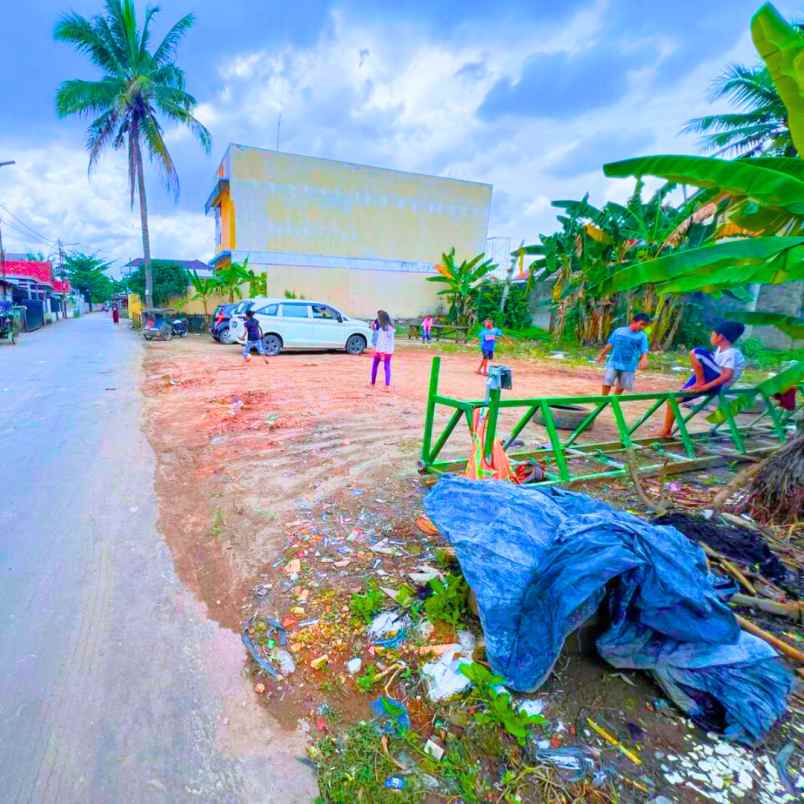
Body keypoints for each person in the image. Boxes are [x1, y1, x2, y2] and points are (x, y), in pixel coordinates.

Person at [658, 320, 746, 438]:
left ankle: (700, 382)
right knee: (673, 400)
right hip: (712, 381)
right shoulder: (720, 351)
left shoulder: (731, 353)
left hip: (717, 385)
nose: (711, 336)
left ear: (720, 337)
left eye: (713, 334)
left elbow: (727, 376)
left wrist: (703, 386)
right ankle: (666, 431)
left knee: (696, 352)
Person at [596, 313, 651, 395]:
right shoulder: (619, 331)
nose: (642, 327)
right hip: (614, 361)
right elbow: (610, 344)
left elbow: (644, 349)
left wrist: (644, 359)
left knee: (622, 384)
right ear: (634, 321)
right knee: (608, 380)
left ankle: (615, 400)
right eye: (641, 324)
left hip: (629, 365)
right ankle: (603, 399)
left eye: (645, 325)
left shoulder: (642, 336)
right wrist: (601, 355)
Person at [371, 310, 394, 389]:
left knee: (375, 366)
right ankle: (387, 384)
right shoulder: (390, 328)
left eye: (378, 317)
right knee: (387, 366)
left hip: (381, 351)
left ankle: (373, 382)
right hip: (388, 351)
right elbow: (390, 342)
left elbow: (381, 342)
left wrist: (382, 354)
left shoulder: (382, 329)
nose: (377, 319)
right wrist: (374, 328)